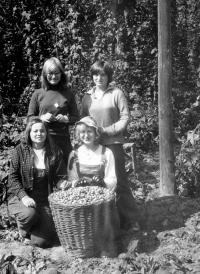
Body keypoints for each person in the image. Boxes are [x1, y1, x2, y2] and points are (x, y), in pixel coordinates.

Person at [81, 60, 140, 232]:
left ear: (108, 76)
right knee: (98, 182)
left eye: (103, 74)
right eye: (96, 74)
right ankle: (104, 223)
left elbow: (125, 118)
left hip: (113, 144)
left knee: (119, 180)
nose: (99, 78)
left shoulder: (116, 93)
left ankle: (131, 219)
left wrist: (105, 131)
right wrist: (87, 137)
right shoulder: (87, 96)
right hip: (94, 146)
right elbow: (83, 120)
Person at [58, 116, 119, 256]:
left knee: (105, 222)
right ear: (78, 135)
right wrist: (78, 183)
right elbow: (71, 180)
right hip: (82, 201)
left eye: (89, 131)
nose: (86, 135)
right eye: (82, 132)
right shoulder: (75, 154)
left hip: (102, 200)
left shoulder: (106, 152)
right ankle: (84, 247)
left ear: (96, 133)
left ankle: (106, 246)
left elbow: (112, 178)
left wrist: (102, 183)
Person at [7, 117, 67, 248]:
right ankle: (23, 230)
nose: (39, 134)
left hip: (44, 201)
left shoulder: (54, 151)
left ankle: (33, 230)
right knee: (29, 214)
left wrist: (62, 184)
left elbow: (59, 177)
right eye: (35, 131)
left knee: (41, 242)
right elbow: (12, 178)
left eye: (42, 131)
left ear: (46, 133)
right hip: (20, 198)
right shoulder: (20, 151)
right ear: (29, 133)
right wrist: (24, 197)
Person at [27, 57, 79, 164]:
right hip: (42, 140)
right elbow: (29, 118)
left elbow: (76, 117)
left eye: (57, 73)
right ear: (45, 75)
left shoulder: (68, 93)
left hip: (63, 140)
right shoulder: (38, 93)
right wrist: (41, 118)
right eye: (50, 73)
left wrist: (66, 119)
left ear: (61, 74)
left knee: (64, 174)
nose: (54, 76)